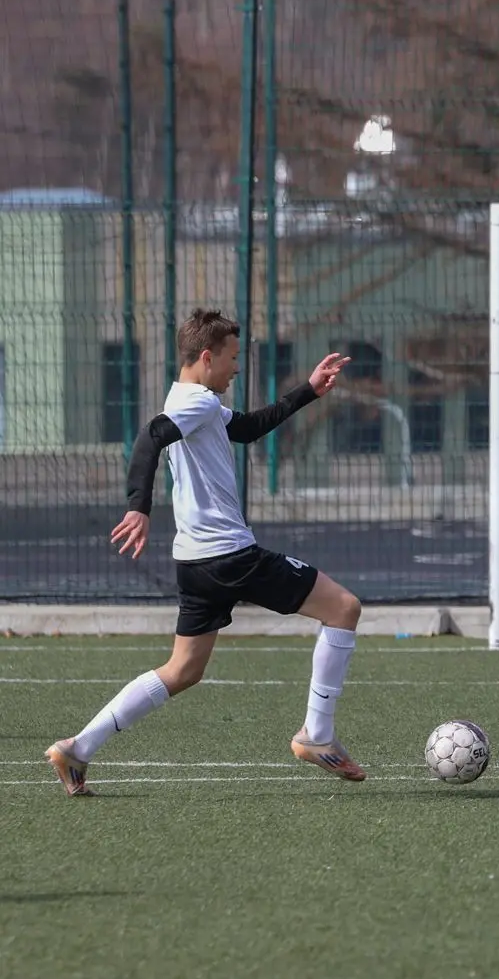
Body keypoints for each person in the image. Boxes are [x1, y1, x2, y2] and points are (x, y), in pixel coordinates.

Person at [45, 309, 367, 796]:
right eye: (233, 358)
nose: (237, 368)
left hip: (195, 562)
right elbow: (149, 438)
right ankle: (316, 734)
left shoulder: (194, 402)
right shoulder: (194, 403)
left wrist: (308, 390)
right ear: (207, 356)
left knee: (183, 670)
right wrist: (138, 507)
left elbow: (249, 428)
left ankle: (77, 748)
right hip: (230, 556)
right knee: (344, 608)